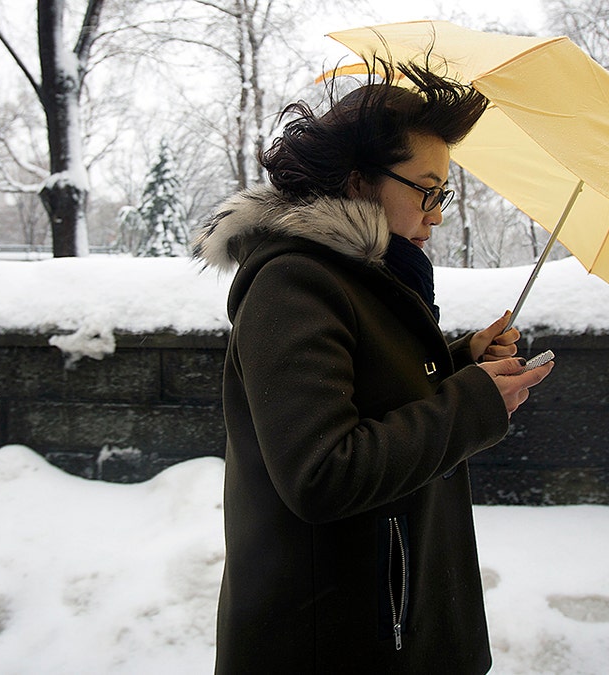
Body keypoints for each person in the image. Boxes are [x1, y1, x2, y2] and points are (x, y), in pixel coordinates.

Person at [192, 58, 554, 674]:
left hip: (392, 618)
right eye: (427, 190)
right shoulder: (294, 285)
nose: (437, 214)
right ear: (359, 181)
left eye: (445, 194)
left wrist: (462, 360)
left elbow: (373, 389)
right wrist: (472, 403)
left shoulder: (362, 276)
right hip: (332, 640)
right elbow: (323, 473)